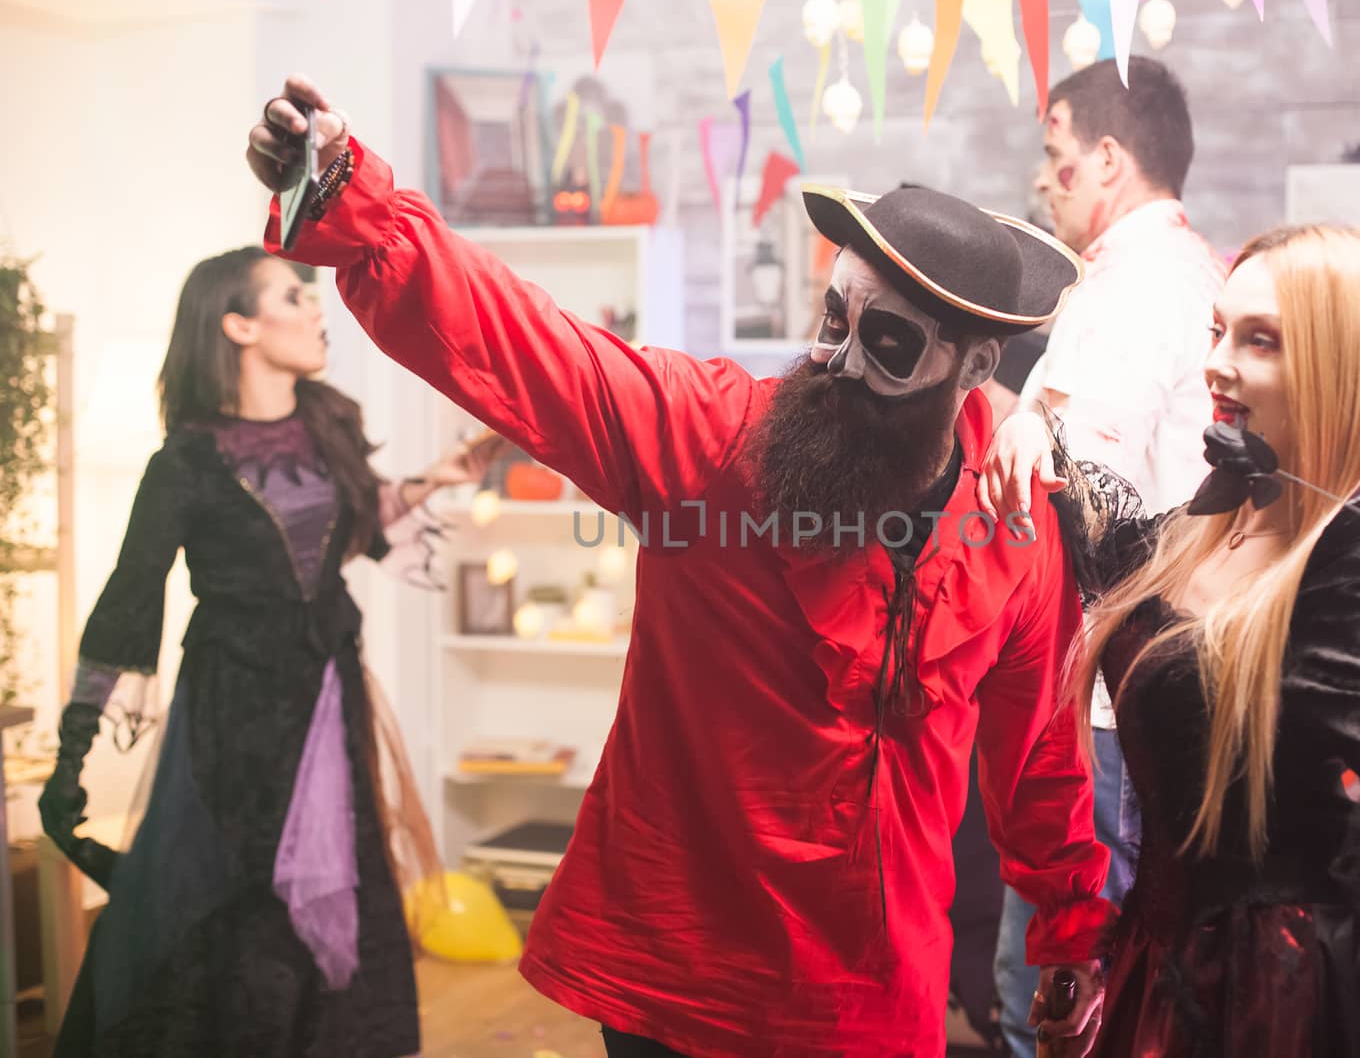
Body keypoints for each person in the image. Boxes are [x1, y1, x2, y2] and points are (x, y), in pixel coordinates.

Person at [243, 76, 1114, 1057]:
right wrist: (349, 197)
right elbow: (529, 345)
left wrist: (1072, 929)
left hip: (865, 988)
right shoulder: (706, 431)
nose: (834, 360)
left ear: (969, 369)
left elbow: (1042, 753)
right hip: (677, 972)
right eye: (835, 316)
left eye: (888, 342)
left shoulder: (1016, 527)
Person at [982, 224, 1360, 1057]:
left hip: (1279, 1006)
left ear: (1333, 366)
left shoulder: (1344, 590)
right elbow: (1101, 525)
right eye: (1217, 331)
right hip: (1153, 972)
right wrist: (1027, 425)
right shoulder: (1196, 534)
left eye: (1259, 339)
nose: (1216, 362)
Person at [38, 245, 505, 1057]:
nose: (318, 308)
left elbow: (345, 529)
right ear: (239, 324)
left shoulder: (330, 424)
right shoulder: (183, 460)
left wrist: (436, 477)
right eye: (295, 295)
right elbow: (128, 598)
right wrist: (72, 749)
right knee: (242, 903)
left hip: (327, 699)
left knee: (336, 887)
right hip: (234, 714)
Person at [997, 55, 1225, 1058]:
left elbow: (1084, 506)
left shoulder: (1133, 291)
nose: (1042, 180)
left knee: (1056, 1000)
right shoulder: (1190, 274)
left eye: (1054, 156)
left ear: (1105, 158)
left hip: (1106, 704)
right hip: (1163, 681)